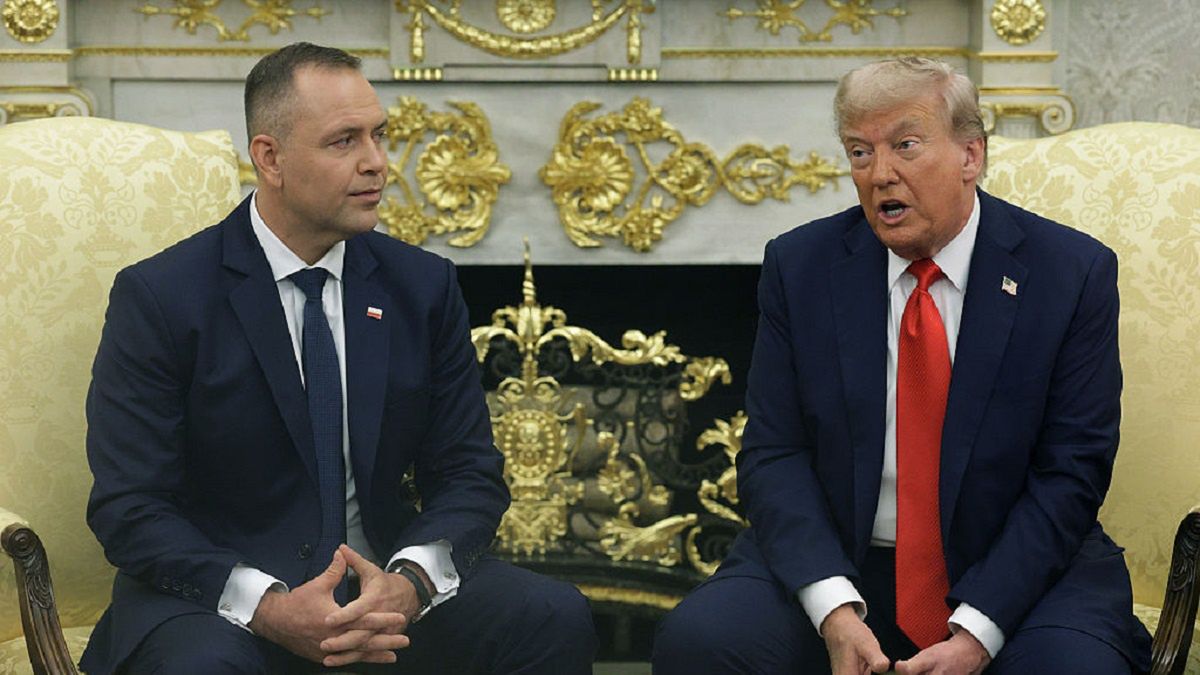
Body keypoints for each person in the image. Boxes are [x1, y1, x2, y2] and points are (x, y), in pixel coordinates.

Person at [80, 42, 596, 674]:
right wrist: (269, 605)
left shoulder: (422, 286)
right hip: (222, 602)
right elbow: (130, 507)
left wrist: (408, 584)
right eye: (344, 141)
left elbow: (469, 473)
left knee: (551, 615)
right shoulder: (163, 297)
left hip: (380, 589)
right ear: (270, 158)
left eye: (379, 136)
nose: (377, 163)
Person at [653, 57, 1151, 674]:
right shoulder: (801, 267)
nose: (880, 174)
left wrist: (977, 630)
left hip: (1019, 567)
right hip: (846, 559)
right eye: (860, 153)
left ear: (971, 155)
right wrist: (834, 607)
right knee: (702, 642)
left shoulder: (1070, 274)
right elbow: (772, 454)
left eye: (905, 146)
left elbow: (1071, 473)